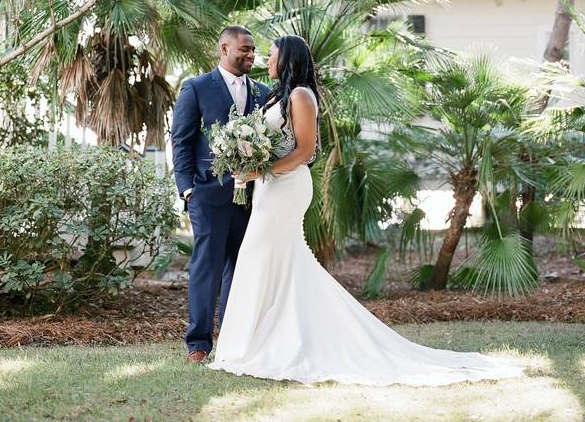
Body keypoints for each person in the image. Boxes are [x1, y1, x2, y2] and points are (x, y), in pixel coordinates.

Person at [206, 34, 524, 386]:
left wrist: (258, 170)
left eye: (272, 55)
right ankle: (262, 338)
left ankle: (270, 342)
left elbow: (306, 152)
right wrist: (249, 158)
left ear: (289, 59)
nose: (266, 60)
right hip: (268, 188)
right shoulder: (277, 95)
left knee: (262, 254)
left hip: (287, 189)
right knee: (275, 261)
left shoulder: (300, 96)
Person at [170, 25, 270, 363]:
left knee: (240, 269)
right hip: (207, 195)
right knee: (206, 268)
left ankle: (231, 338)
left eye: (254, 49)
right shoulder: (196, 88)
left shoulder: (263, 92)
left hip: (253, 198)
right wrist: (187, 190)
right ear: (224, 48)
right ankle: (198, 344)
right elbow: (181, 141)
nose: (252, 55)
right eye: (245, 49)